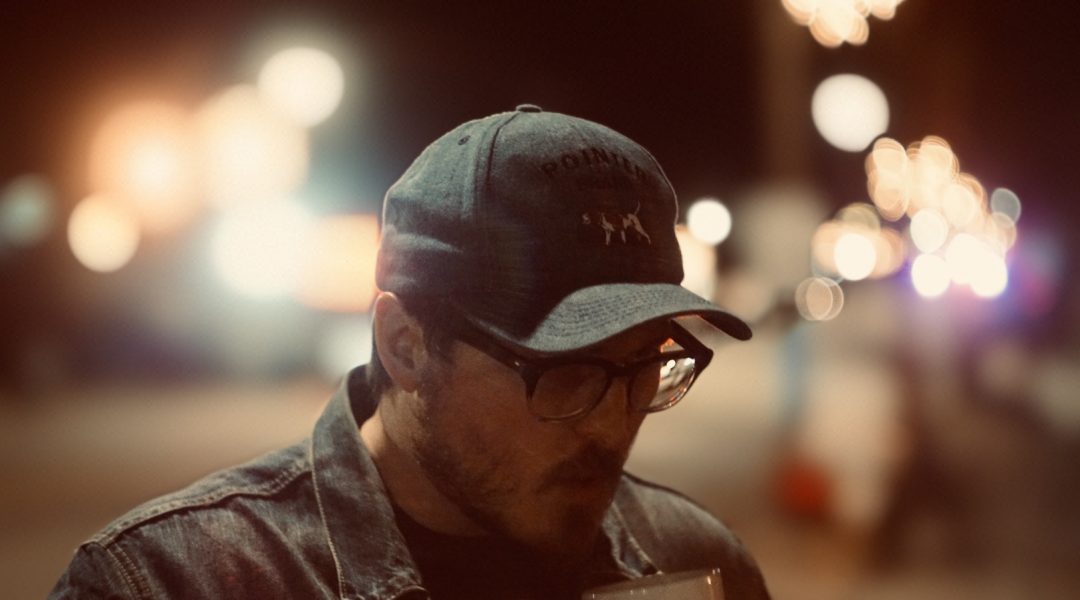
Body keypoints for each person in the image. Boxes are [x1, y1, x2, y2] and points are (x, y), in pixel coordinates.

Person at [50, 105, 770, 599]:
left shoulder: (693, 558)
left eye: (644, 365)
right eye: (566, 373)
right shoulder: (175, 582)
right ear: (406, 345)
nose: (613, 426)